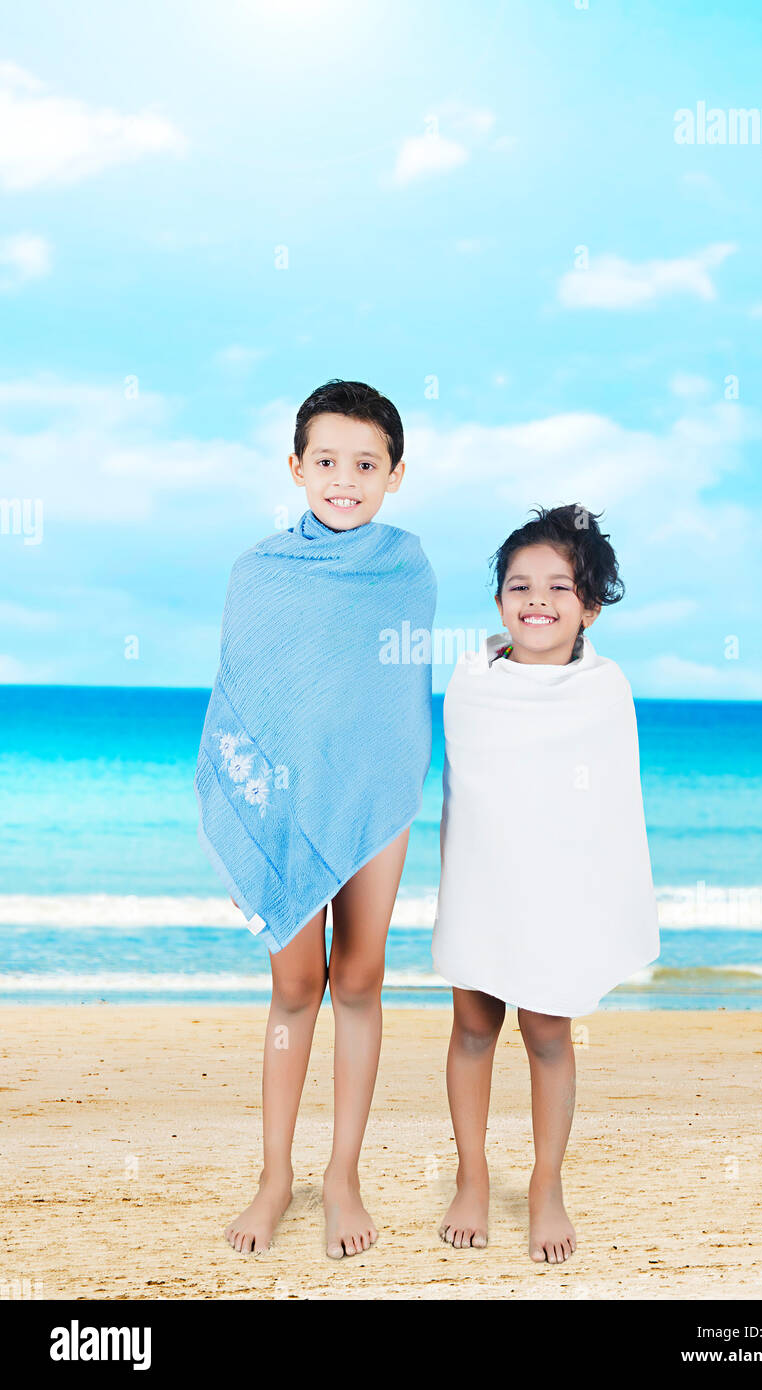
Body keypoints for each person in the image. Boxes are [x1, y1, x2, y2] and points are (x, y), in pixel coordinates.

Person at [195, 379, 436, 1257]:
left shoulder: (408, 568)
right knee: (295, 986)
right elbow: (243, 704)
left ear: (395, 474)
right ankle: (275, 1177)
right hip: (284, 805)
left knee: (361, 979)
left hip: (376, 799)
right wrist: (245, 832)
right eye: (327, 461)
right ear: (295, 468)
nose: (346, 479)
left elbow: (393, 698)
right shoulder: (258, 572)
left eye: (366, 464)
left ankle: (343, 1177)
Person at [432, 503, 659, 1263]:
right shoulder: (471, 682)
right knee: (472, 1029)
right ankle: (471, 1175)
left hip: (561, 893)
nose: (537, 599)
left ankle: (546, 1183)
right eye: (519, 584)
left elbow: (609, 813)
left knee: (548, 1034)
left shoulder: (605, 690)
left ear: (590, 606)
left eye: (560, 587)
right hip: (481, 882)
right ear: (499, 601)